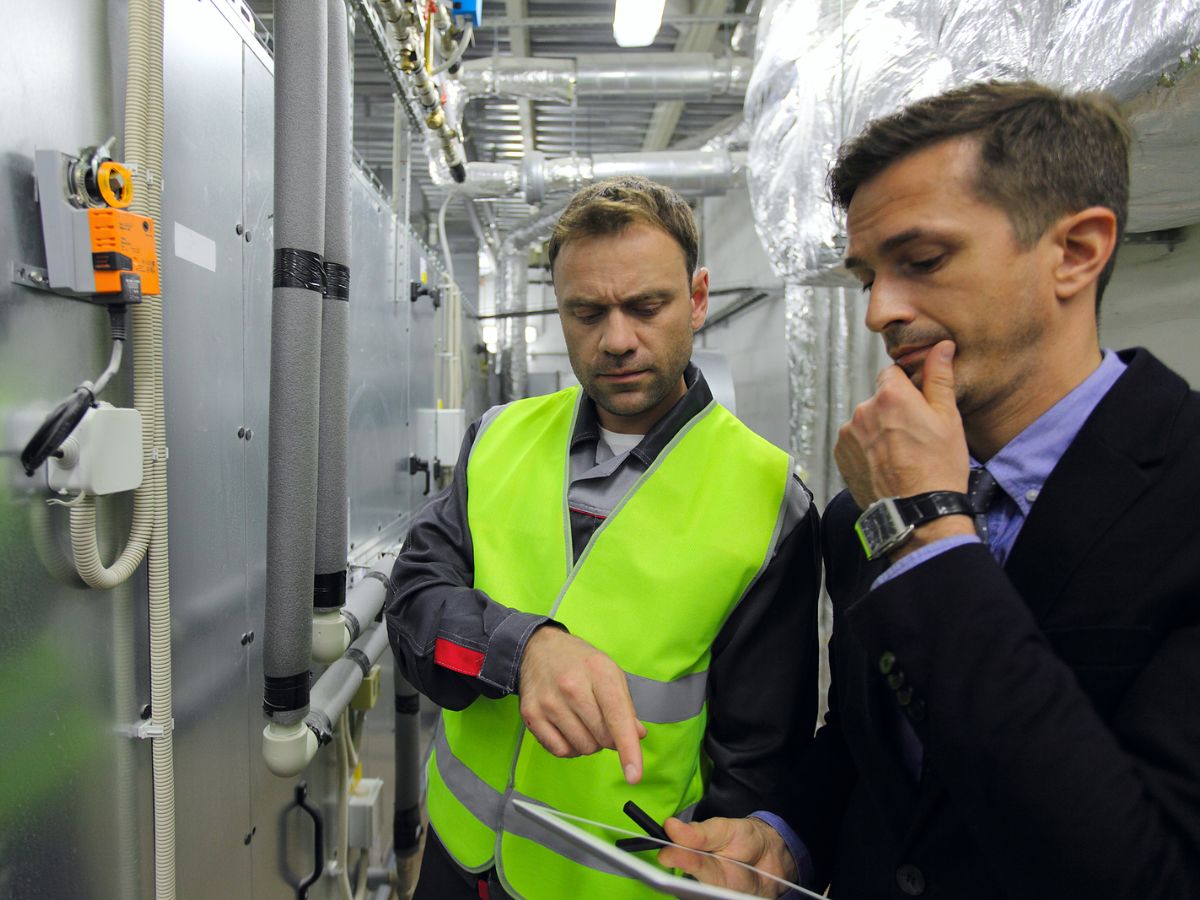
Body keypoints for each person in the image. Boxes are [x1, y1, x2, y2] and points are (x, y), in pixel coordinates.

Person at [661, 81, 1200, 898]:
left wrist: (932, 534)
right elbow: (874, 743)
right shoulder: (859, 516)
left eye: (922, 261)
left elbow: (1146, 870)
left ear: (1077, 251)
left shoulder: (1180, 490)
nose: (880, 311)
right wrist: (785, 834)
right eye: (868, 274)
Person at [385, 175, 821, 899]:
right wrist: (522, 649)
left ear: (700, 298)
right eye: (587, 312)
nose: (617, 340)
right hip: (457, 866)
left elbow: (756, 769)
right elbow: (413, 609)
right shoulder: (500, 439)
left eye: (647, 306)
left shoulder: (769, 501)